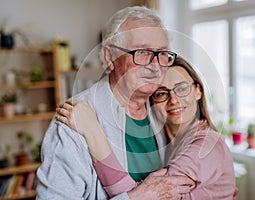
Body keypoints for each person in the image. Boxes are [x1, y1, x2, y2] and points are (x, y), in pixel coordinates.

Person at [36, 6, 194, 200]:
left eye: (162, 53)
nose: (155, 66)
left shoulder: (163, 108)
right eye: (142, 52)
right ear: (110, 57)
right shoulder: (73, 119)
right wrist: (136, 198)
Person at [56, 56, 236, 199]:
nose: (173, 100)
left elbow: (149, 197)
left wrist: (93, 133)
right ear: (152, 103)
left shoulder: (207, 144)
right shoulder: (168, 145)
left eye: (182, 89)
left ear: (198, 91)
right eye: (162, 93)